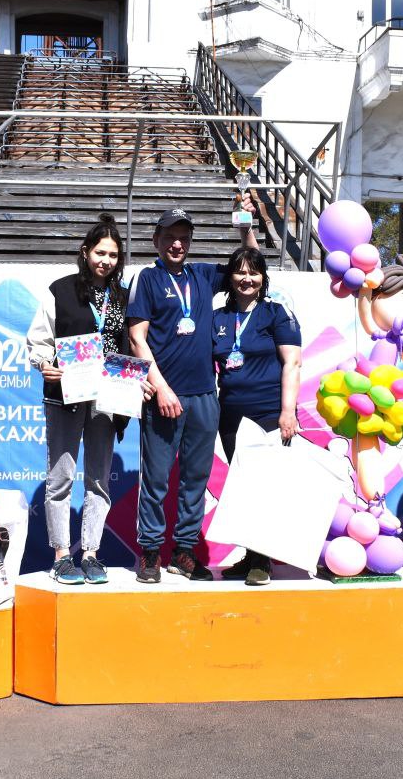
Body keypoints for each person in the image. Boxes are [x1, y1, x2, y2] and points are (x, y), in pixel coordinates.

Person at [127, 198, 257, 583]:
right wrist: (160, 387)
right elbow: (137, 339)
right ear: (156, 239)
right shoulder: (146, 279)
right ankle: (150, 553)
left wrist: (245, 220)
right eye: (170, 237)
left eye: (184, 238)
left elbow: (248, 260)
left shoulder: (202, 275)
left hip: (204, 395)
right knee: (155, 479)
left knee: (196, 479)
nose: (177, 244)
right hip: (164, 394)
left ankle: (183, 551)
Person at [27, 214, 145, 585]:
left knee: (98, 480)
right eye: (100, 252)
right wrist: (45, 364)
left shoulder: (124, 297)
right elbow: (38, 341)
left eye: (113, 255)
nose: (106, 260)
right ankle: (62, 554)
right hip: (66, 395)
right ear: (85, 252)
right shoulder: (59, 290)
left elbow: (136, 343)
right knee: (60, 477)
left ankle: (91, 552)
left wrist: (137, 379)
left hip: (108, 398)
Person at [210, 247, 301, 586]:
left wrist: (287, 412)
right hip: (231, 413)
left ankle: (263, 560)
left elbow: (292, 363)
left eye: (254, 272)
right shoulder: (217, 318)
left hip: (268, 413)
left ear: (263, 278)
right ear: (230, 278)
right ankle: (250, 556)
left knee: (264, 484)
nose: (247, 279)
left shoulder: (277, 313)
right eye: (240, 272)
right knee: (242, 486)